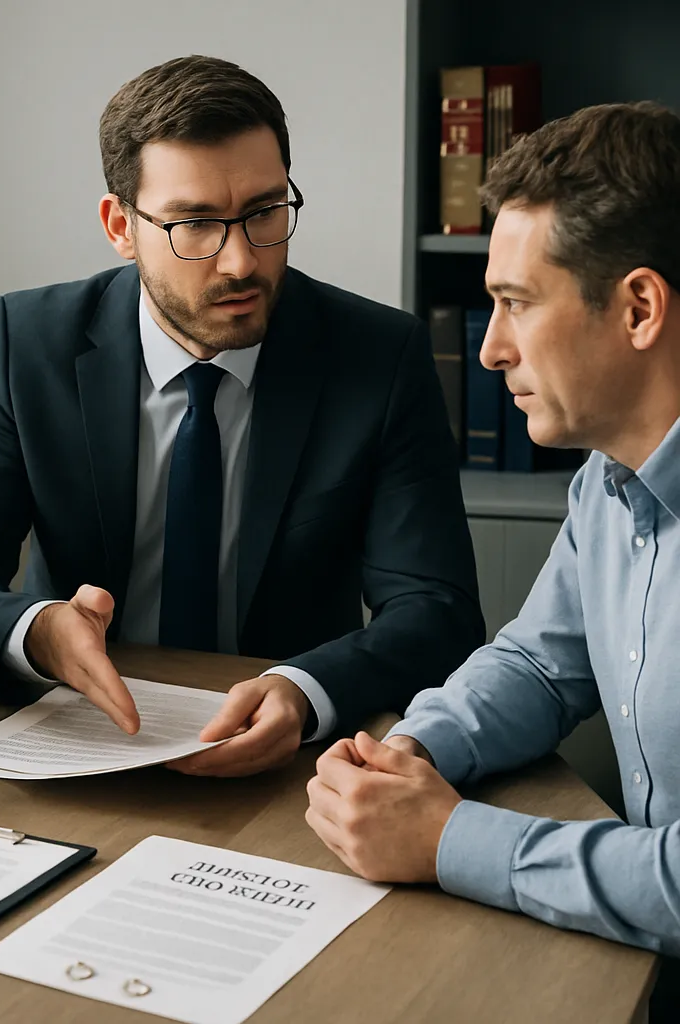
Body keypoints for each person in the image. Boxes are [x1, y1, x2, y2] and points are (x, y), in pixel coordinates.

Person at [0, 55, 483, 777]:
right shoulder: (30, 342)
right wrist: (35, 635)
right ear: (119, 227)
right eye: (194, 224)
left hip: (288, 757)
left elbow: (436, 608)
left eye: (264, 212)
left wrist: (305, 689)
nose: (239, 263)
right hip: (73, 737)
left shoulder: (378, 356)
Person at [304, 101, 680, 1017]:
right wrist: (406, 755)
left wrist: (451, 840)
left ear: (637, 307)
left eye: (515, 304)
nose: (488, 348)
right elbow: (539, 665)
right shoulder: (608, 479)